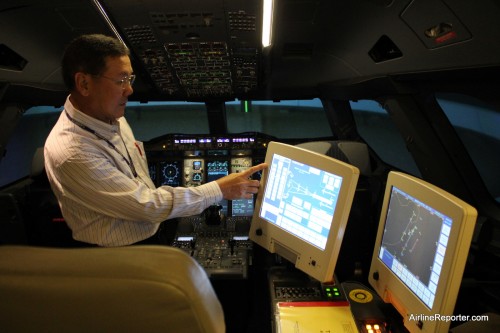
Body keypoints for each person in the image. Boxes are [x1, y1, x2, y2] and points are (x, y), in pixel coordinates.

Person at [44, 34, 267, 247]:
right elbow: (147, 206)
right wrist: (219, 189)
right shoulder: (73, 152)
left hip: (152, 232)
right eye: (121, 80)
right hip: (115, 254)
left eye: (130, 78)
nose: (129, 90)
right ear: (84, 84)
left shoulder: (110, 117)